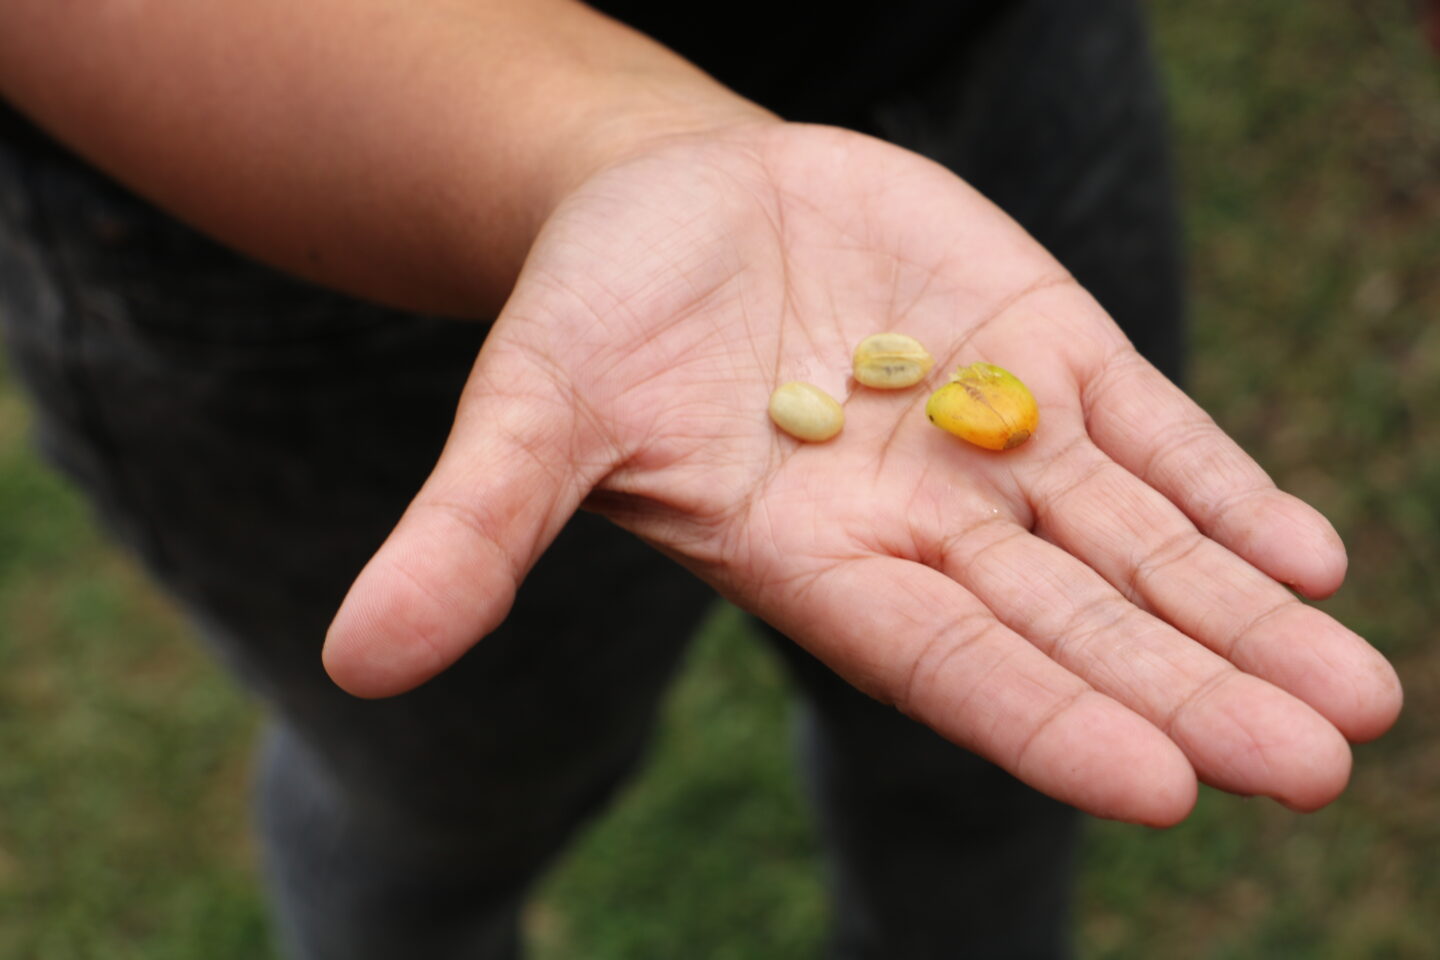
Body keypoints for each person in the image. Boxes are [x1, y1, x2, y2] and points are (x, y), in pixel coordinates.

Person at [0, 0, 1403, 957]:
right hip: (308, 198)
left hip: (995, 55)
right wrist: (630, 148)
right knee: (461, 794)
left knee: (1000, 749)